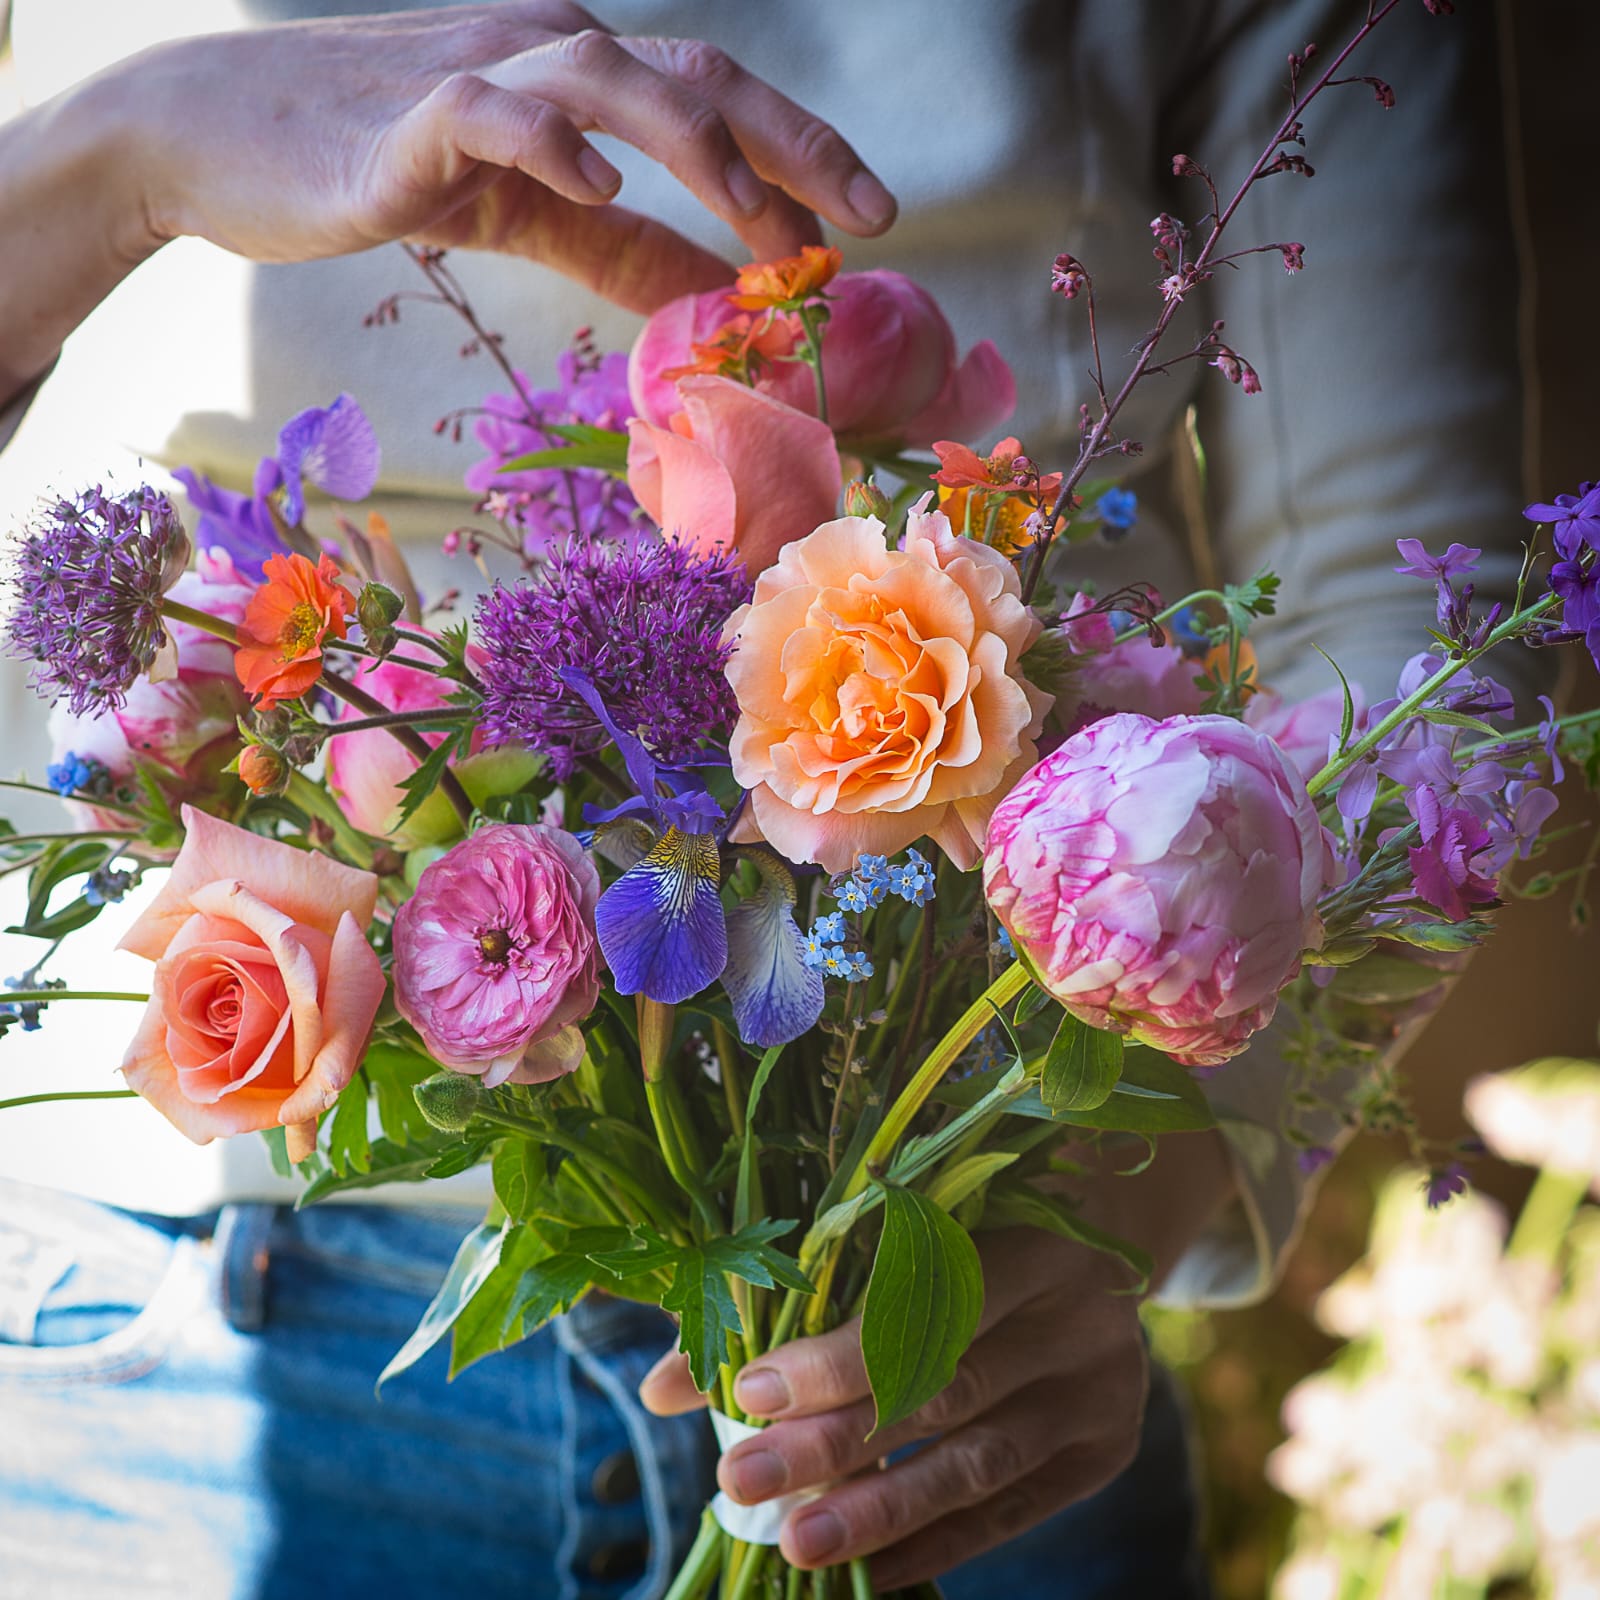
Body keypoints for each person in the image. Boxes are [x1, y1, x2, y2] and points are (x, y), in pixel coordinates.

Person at [0, 2, 1532, 1596]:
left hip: (952, 1312)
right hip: (169, 1337)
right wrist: (128, 152)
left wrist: (1119, 1203)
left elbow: (1418, 628)